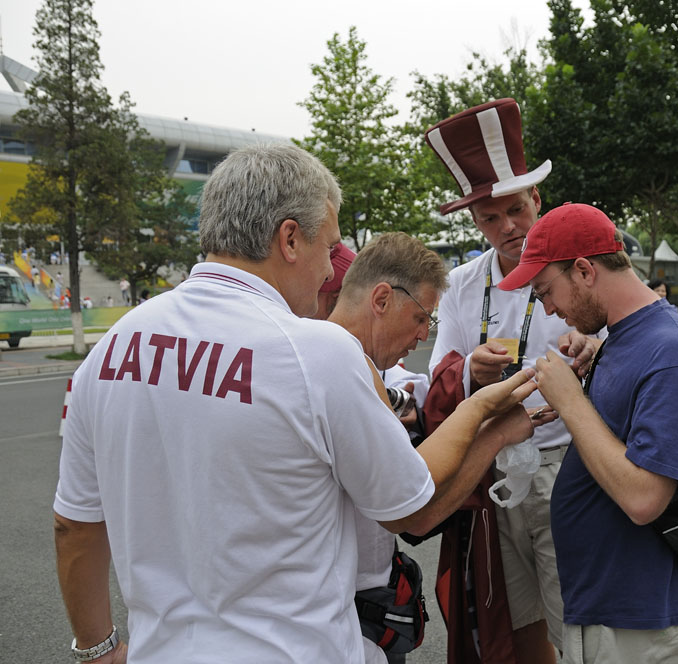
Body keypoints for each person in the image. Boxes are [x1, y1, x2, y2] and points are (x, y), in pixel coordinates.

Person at [52, 143, 539, 663]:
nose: (331, 273)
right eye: (329, 248)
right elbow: (411, 506)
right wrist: (485, 417)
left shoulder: (109, 350)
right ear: (289, 239)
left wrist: (97, 648)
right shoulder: (317, 352)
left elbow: (74, 524)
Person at [423, 98, 600, 664]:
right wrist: (467, 370)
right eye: (490, 219)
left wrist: (595, 343)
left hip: (564, 464)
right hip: (492, 469)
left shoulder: (581, 266)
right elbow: (439, 373)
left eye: (516, 210)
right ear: (475, 222)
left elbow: (626, 331)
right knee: (517, 620)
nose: (507, 228)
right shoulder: (460, 283)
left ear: (537, 199)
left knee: (576, 622)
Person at [499, 203, 678, 663]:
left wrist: (571, 402)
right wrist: (596, 353)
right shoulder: (626, 336)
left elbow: (644, 498)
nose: (548, 308)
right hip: (605, 604)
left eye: (545, 290)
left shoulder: (670, 351)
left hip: (634, 615)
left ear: (583, 270)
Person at [329, 232, 555, 664]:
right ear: (381, 299)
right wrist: (490, 425)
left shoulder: (335, 358)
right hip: (342, 613)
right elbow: (414, 512)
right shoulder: (343, 364)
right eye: (422, 318)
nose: (422, 337)